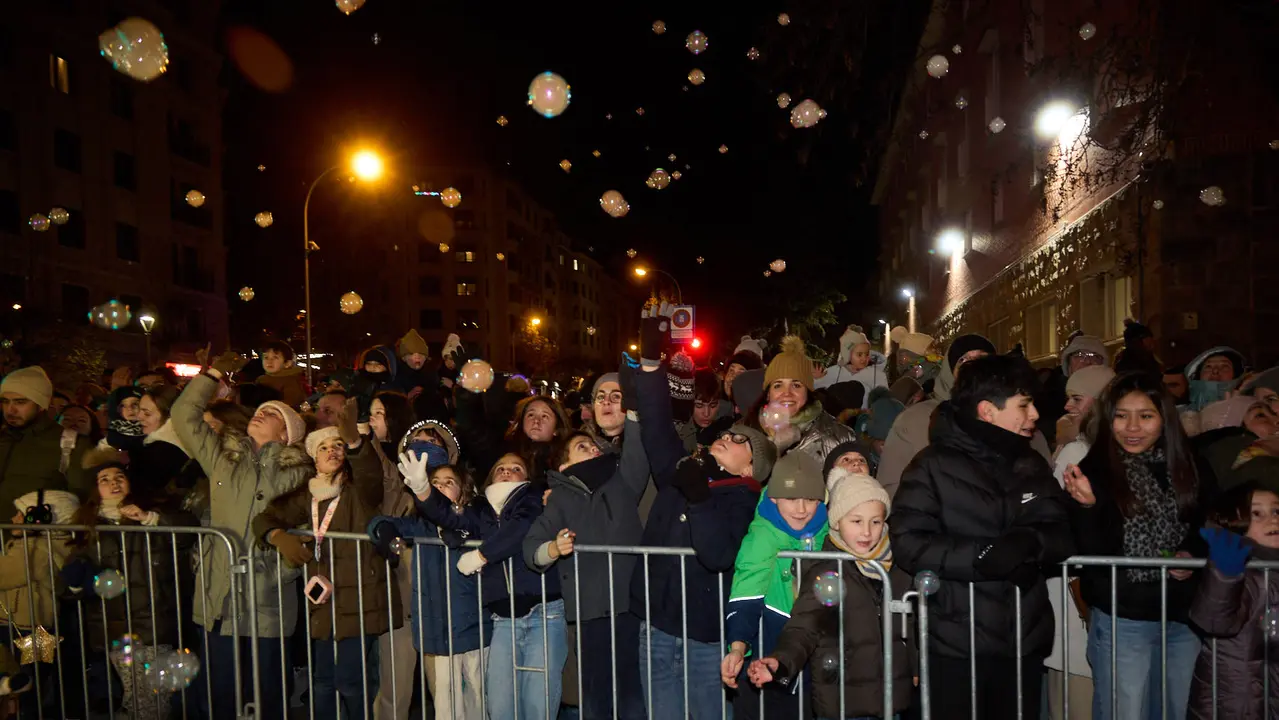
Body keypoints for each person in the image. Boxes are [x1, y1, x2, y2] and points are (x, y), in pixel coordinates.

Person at [890, 354, 1074, 720]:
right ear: (988, 411)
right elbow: (909, 541)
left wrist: (1029, 546)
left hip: (1023, 639)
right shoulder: (931, 465)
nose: (1035, 414)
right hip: (957, 643)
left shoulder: (1030, 463)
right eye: (1024, 405)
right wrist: (984, 556)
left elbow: (1061, 532)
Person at [629, 351, 774, 720]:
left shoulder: (746, 502)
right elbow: (658, 431)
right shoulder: (688, 473)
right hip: (657, 626)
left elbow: (718, 555)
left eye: (738, 439)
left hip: (705, 638)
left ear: (752, 466)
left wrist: (700, 498)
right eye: (725, 433)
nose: (726, 436)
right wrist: (649, 368)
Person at [171, 352, 312, 720]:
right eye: (259, 410)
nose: (260, 414)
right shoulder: (223, 458)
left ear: (287, 434)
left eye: (273, 414)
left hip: (267, 598)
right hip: (220, 597)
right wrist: (213, 375)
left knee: (266, 697)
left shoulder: (298, 474)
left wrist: (286, 561)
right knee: (220, 696)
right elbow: (183, 416)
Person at [1061, 371, 1203, 720]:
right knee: (1126, 710)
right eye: (1121, 416)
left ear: (1164, 419)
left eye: (1146, 416)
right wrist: (1087, 507)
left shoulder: (1188, 464)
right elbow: (1088, 552)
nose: (1132, 427)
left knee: (1179, 709)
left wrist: (1193, 556)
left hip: (1184, 616)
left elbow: (1210, 523)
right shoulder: (1094, 470)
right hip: (1124, 617)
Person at [524, 387, 651, 720]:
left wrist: (634, 403)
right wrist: (552, 548)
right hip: (590, 614)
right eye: (583, 446)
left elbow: (637, 449)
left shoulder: (622, 480)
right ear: (564, 463)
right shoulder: (561, 497)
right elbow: (531, 546)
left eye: (594, 445)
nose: (593, 448)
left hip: (631, 607)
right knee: (596, 698)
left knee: (634, 697)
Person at [254, 421, 394, 719]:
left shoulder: (360, 490)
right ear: (313, 458)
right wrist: (277, 537)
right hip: (324, 601)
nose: (332, 451)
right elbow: (265, 519)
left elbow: (370, 473)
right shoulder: (308, 493)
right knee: (322, 681)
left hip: (361, 599)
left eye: (338, 445)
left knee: (351, 682)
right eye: (324, 447)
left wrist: (356, 442)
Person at [747, 472, 915, 720]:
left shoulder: (897, 566)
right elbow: (804, 626)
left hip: (892, 700)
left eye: (876, 522)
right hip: (845, 703)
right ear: (837, 522)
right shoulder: (827, 570)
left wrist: (915, 661)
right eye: (856, 521)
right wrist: (780, 663)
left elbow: (910, 623)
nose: (867, 532)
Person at [411, 451, 566, 720]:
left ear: (527, 477)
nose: (507, 471)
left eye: (515, 468)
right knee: (500, 704)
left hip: (543, 612)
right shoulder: (481, 509)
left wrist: (482, 555)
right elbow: (450, 517)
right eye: (500, 467)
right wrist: (424, 490)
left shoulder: (532, 498)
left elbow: (519, 529)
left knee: (537, 704)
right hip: (503, 618)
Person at [65, 448, 197, 720]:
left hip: (154, 623)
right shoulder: (88, 526)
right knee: (137, 697)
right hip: (114, 627)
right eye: (104, 479)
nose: (114, 483)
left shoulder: (152, 511)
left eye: (119, 476)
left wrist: (149, 519)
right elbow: (73, 577)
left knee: (149, 700)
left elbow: (187, 531)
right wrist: (78, 582)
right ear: (95, 489)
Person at [369, 461, 488, 720]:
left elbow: (469, 524)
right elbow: (379, 522)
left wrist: (462, 535)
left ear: (463, 492)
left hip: (474, 629)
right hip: (438, 631)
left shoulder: (474, 520)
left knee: (479, 697)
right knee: (446, 703)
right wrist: (384, 531)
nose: (440, 487)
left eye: (449, 482)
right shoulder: (422, 527)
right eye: (435, 483)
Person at [722, 451, 829, 720]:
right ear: (773, 497)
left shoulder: (831, 530)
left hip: (815, 652)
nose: (802, 509)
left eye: (811, 499)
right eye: (792, 499)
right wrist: (737, 647)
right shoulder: (762, 536)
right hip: (765, 650)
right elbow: (746, 591)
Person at [1185, 483, 1279, 719]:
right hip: (1235, 700)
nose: (1273, 520)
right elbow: (1215, 620)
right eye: (1257, 513)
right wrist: (1225, 576)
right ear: (1233, 523)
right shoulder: (1244, 572)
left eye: (1277, 511)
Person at [0, 488, 78, 717]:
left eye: (21, 514)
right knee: (28, 680)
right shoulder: (40, 542)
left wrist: (21, 537)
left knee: (31, 686)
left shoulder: (40, 547)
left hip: (30, 624)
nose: (14, 519)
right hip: (26, 622)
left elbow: (9, 572)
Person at [745, 336, 856, 467]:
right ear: (768, 394)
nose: (787, 393)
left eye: (796, 385)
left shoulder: (840, 438)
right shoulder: (746, 433)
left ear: (808, 392)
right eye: (778, 385)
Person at [0, 366, 91, 512]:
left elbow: (82, 502)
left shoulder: (70, 445)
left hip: (37, 533)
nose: (10, 410)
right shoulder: (4, 439)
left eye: (20, 402)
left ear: (41, 404)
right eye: (5, 401)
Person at [814, 325, 889, 408]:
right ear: (848, 354)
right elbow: (818, 395)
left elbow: (885, 402)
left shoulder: (878, 375)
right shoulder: (833, 372)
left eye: (867, 354)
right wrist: (818, 379)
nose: (864, 358)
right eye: (859, 355)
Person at [1055, 365, 1116, 453]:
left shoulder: (1078, 449)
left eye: (1077, 399)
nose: (1066, 406)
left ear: (1101, 401)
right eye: (1067, 398)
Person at [1185, 345, 1246, 410]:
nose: (1215, 371)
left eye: (1224, 366)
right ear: (1198, 375)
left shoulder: (1249, 411)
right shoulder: (1178, 416)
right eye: (1208, 366)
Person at [255, 340, 308, 408]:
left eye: (275, 357)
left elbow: (291, 402)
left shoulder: (291, 380)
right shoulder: (261, 379)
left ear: (287, 363)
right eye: (266, 357)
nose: (269, 361)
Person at [104, 386, 144, 451]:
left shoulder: (152, 430)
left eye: (135, 404)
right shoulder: (111, 437)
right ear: (117, 409)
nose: (130, 409)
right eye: (122, 405)